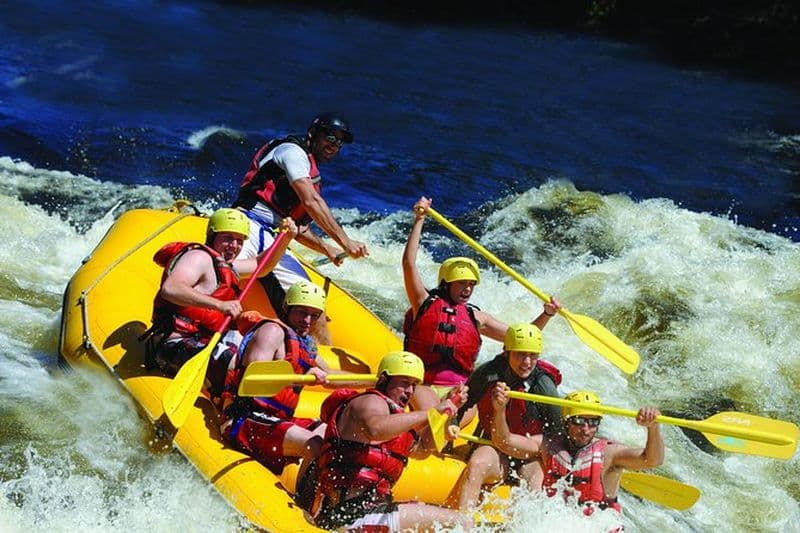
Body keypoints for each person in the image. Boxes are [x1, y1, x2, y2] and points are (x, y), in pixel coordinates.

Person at [402, 195, 562, 410]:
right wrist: (419, 219)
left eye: (471, 284)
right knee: (433, 416)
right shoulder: (423, 302)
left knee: (454, 411)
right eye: (461, 284)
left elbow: (524, 338)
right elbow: (409, 264)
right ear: (446, 284)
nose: (467, 289)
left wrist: (548, 313)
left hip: (460, 388)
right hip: (423, 384)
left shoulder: (477, 317)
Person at [232, 113, 369, 342]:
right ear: (314, 133)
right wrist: (345, 242)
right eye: (330, 138)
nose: (334, 145)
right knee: (227, 273)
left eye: (339, 142)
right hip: (248, 222)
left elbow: (299, 228)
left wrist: (327, 249)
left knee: (314, 305)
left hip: (277, 236)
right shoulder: (292, 152)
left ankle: (320, 367)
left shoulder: (310, 171)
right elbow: (310, 201)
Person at [309, 351, 473, 532]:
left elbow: (424, 449)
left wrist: (448, 409)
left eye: (414, 386)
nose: (410, 391)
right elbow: (375, 429)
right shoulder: (370, 401)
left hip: (365, 514)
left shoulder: (395, 419)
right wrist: (430, 412)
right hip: (346, 517)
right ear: (384, 380)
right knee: (463, 523)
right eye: (404, 384)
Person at [142, 208, 297, 390]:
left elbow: (260, 266)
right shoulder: (198, 257)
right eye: (228, 238)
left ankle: (270, 400)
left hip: (205, 339)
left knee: (271, 340)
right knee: (235, 367)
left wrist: (285, 239)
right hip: (174, 343)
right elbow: (171, 289)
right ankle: (240, 403)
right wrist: (220, 305)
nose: (234, 245)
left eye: (239, 241)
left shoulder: (226, 266)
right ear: (212, 235)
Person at [219, 280, 346, 475]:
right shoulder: (272, 331)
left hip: (276, 419)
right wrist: (300, 376)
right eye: (302, 312)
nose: (307, 321)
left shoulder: (306, 345)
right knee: (318, 446)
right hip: (244, 418)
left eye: (314, 315)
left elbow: (331, 377)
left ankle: (307, 497)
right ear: (287, 308)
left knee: (330, 436)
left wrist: (381, 382)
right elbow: (254, 376)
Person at [489, 388, 664, 517]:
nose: (585, 429)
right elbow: (504, 442)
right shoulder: (548, 445)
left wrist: (653, 428)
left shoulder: (610, 453)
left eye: (593, 422)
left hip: (598, 525)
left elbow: (652, 460)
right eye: (579, 421)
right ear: (566, 423)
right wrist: (500, 410)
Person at [446, 323, 563, 510]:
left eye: (532, 355)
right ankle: (463, 524)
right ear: (506, 352)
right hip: (493, 446)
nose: (526, 362)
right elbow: (460, 405)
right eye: (520, 354)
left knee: (535, 483)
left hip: (528, 453)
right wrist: (451, 429)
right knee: (477, 464)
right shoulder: (488, 374)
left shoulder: (544, 386)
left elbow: (557, 433)